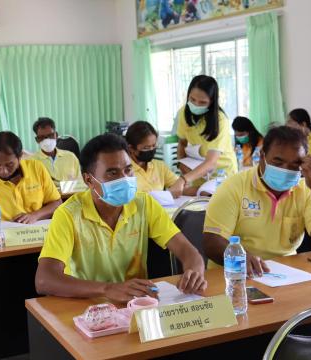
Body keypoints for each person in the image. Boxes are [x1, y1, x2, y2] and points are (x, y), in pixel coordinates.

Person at [35, 133, 207, 302]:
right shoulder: (68, 214)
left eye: (128, 170)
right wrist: (107, 289)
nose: (124, 179)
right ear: (89, 180)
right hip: (87, 305)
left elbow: (188, 251)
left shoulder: (144, 203)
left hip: (137, 304)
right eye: (112, 173)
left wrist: (194, 272)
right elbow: (45, 280)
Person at [202, 126, 311, 276]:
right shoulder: (233, 187)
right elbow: (212, 242)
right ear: (262, 156)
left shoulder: (306, 189)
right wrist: (240, 258)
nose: (286, 169)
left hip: (287, 273)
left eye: (295, 164)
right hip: (235, 274)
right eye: (278, 162)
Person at [176, 75, 237, 186]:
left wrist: (184, 180)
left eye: (202, 102)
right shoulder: (183, 113)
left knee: (212, 197)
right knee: (197, 200)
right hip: (198, 171)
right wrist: (181, 164)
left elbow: (211, 162)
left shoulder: (220, 120)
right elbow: (182, 143)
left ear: (212, 101)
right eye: (192, 99)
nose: (196, 105)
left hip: (222, 172)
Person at [126, 121, 195, 197]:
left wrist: (204, 191)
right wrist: (165, 195)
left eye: (154, 145)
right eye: (146, 147)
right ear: (131, 148)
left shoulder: (159, 166)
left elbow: (181, 188)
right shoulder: (124, 171)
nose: (151, 149)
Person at [30, 117, 81, 185]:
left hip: (71, 195)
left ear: (56, 135)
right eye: (42, 137)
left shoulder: (71, 157)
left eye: (50, 135)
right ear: (37, 140)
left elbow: (80, 183)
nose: (47, 140)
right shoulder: (32, 162)